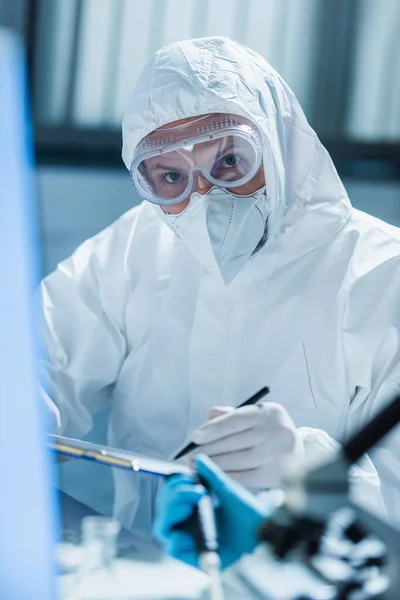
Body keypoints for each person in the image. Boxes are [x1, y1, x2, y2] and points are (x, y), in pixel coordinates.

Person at [40, 37, 400, 537]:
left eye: (229, 162)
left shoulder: (384, 276)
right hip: (144, 578)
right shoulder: (134, 248)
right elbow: (40, 358)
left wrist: (305, 467)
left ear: (278, 142)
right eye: (170, 175)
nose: (205, 197)